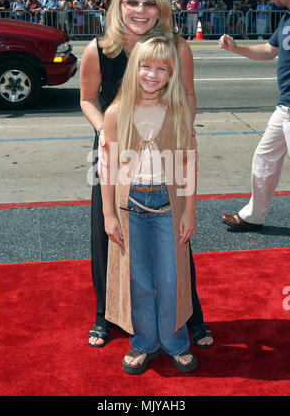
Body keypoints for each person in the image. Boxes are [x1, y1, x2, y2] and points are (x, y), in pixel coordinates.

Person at [80, 0, 213, 350]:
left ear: (161, 9)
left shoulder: (176, 47)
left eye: (149, 2)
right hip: (113, 152)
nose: (140, 10)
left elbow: (187, 94)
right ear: (118, 6)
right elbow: (88, 98)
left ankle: (191, 317)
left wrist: (185, 131)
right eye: (132, 2)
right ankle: (104, 315)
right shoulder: (99, 49)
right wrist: (104, 131)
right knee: (108, 234)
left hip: (164, 152)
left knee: (176, 235)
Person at [101, 34, 197, 374]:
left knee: (171, 277)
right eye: (145, 66)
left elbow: (187, 162)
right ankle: (144, 341)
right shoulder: (115, 112)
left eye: (162, 68)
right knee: (137, 277)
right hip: (130, 207)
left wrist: (189, 210)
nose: (152, 74)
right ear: (133, 69)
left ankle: (174, 341)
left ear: (171, 74)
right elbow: (106, 165)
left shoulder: (177, 112)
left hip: (168, 206)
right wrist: (108, 213)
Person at [219, 0, 290, 230]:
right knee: (264, 159)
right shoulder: (286, 18)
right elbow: (269, 51)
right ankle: (253, 215)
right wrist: (237, 48)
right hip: (284, 107)